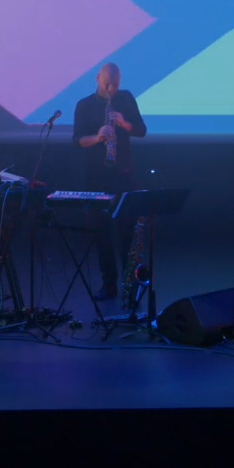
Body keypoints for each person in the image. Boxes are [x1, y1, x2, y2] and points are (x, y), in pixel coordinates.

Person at [73, 63, 147, 300]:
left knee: (128, 234)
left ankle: (130, 285)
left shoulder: (125, 99)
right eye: (107, 84)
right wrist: (98, 137)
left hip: (124, 177)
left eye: (115, 84)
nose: (111, 89)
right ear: (97, 78)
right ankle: (109, 284)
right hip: (97, 179)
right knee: (101, 234)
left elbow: (141, 130)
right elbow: (77, 140)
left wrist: (125, 124)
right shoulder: (84, 105)